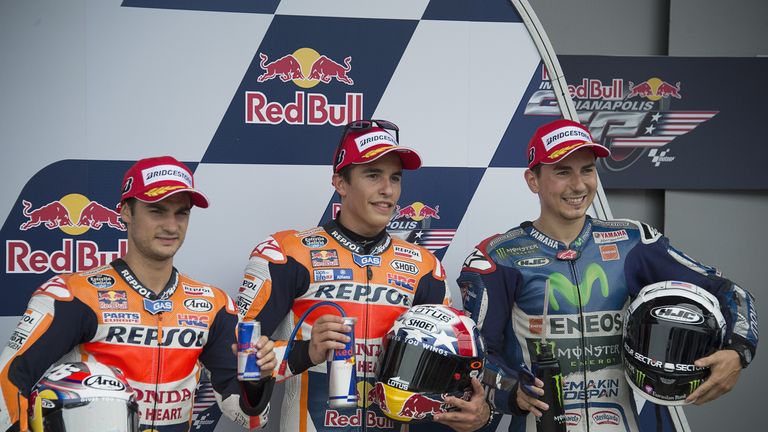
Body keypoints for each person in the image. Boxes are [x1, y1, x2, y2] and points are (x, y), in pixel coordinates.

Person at [457, 119, 758, 431]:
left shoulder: (633, 243)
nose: (579, 185)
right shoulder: (499, 257)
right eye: (563, 172)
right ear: (533, 180)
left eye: (587, 169)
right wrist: (513, 391)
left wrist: (737, 352)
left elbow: (728, 291)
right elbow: (475, 357)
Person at [237, 119, 490, 432]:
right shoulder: (287, 254)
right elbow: (236, 359)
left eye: (394, 178)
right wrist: (305, 352)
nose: (387, 190)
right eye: (373, 175)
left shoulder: (425, 268)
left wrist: (478, 411)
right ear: (341, 183)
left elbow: (454, 376)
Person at [0, 156, 276, 432]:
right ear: (125, 212)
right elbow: (7, 383)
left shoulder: (213, 305)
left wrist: (256, 380)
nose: (171, 226)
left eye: (182, 212)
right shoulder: (72, 295)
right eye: (157, 211)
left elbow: (249, 418)